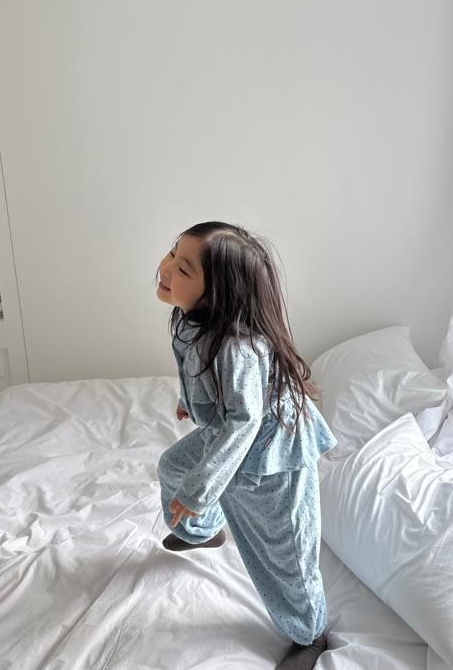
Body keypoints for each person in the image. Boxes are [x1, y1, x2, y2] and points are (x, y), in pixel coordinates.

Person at [155, 221, 337, 670]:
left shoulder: (238, 347)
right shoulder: (191, 319)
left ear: (216, 294)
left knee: (287, 547)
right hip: (231, 434)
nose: (166, 268)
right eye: (172, 253)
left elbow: (245, 419)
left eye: (183, 268)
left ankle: (309, 632)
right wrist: (190, 401)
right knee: (173, 467)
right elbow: (200, 373)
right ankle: (206, 531)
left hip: (272, 453)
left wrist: (201, 490)